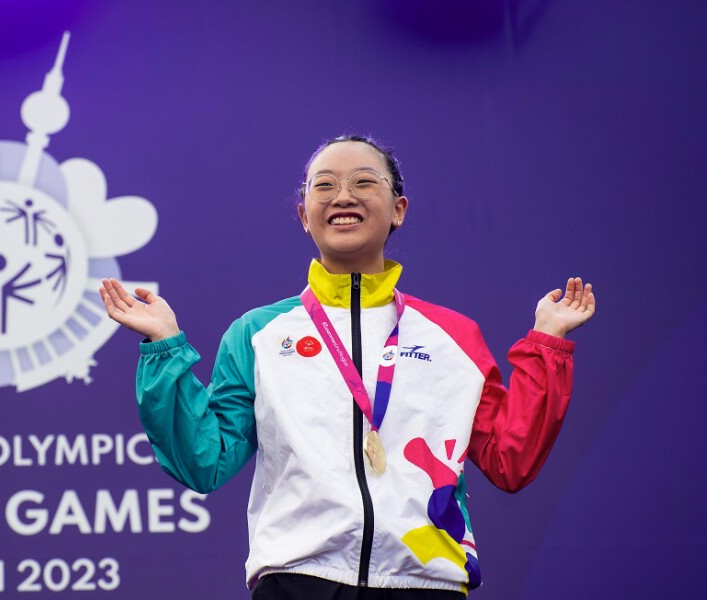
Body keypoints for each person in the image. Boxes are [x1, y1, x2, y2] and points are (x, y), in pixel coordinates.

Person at [99, 135, 596, 599]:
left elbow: (510, 459)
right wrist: (163, 344)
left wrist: (547, 345)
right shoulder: (257, 334)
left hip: (426, 580)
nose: (343, 195)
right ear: (303, 214)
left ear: (398, 210)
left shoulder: (453, 336)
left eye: (363, 182)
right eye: (324, 185)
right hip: (298, 579)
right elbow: (204, 460)